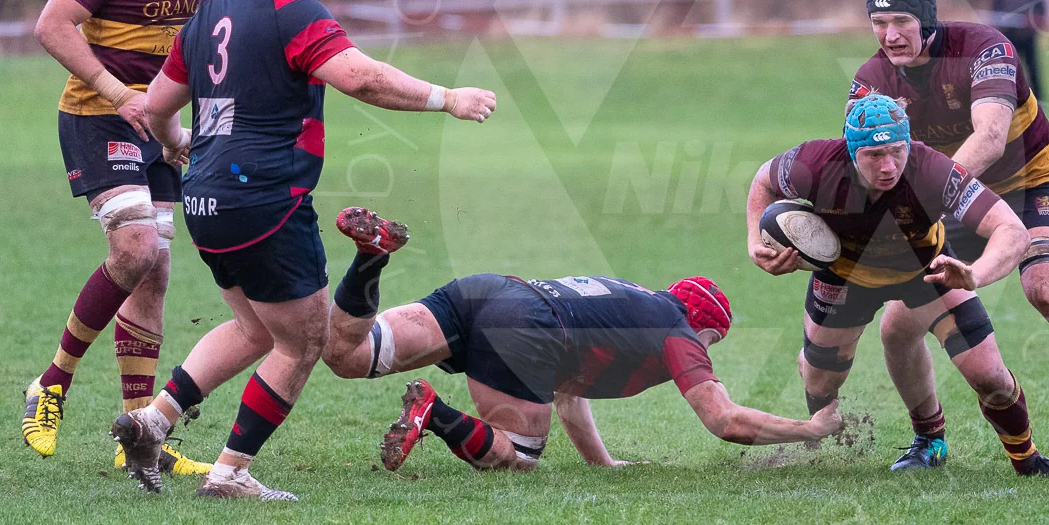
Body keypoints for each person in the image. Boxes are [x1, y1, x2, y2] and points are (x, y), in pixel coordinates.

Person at [110, 0, 498, 501]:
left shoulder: (207, 15)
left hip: (206, 202)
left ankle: (151, 423)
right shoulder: (294, 12)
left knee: (253, 327)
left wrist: (179, 146)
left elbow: (156, 107)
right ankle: (230, 472)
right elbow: (362, 77)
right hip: (266, 201)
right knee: (303, 341)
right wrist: (446, 98)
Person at [852, 0, 1049, 467]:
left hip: (1033, 184)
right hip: (956, 205)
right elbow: (863, 164)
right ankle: (930, 439)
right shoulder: (871, 82)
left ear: (926, 18)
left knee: (1048, 290)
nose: (889, 35)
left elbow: (991, 139)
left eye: (901, 21)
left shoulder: (985, 48)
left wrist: (926, 198)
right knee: (897, 328)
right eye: (878, 23)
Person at [318, 208, 842, 471]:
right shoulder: (678, 332)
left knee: (347, 354)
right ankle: (432, 412)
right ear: (705, 330)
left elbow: (567, 390)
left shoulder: (628, 301)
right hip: (525, 325)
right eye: (711, 343)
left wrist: (603, 464)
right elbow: (723, 420)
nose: (705, 352)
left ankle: (372, 256)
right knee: (519, 457)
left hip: (486, 290)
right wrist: (808, 428)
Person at [746, 94, 1049, 476]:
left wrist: (975, 274)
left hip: (926, 270)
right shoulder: (813, 165)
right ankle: (815, 359)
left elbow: (1012, 230)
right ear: (851, 152)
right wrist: (755, 242)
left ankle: (1027, 460)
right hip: (845, 275)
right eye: (874, 155)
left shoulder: (933, 171)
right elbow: (762, 181)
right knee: (820, 386)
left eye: (896, 151)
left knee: (989, 375)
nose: (888, 166)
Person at [24, 0, 220, 475]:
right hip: (96, 112)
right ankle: (51, 384)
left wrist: (174, 117)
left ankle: (138, 436)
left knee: (156, 266)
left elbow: (174, 42)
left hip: (155, 117)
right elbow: (52, 25)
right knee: (134, 249)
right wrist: (118, 93)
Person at [990, 0, 1046, 100]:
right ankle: (1010, 95)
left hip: (1028, 35)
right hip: (1008, 35)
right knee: (1009, 67)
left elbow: (1041, 10)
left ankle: (1038, 97)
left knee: (1032, 66)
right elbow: (994, 12)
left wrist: (1034, 20)